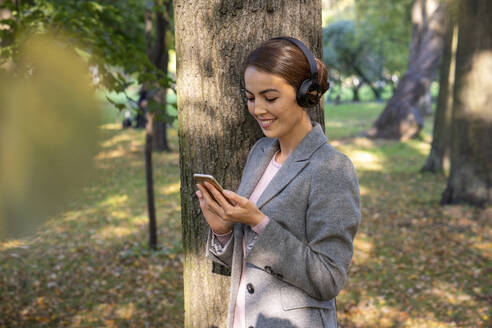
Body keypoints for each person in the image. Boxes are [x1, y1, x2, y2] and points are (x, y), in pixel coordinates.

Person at [195, 36, 361, 328]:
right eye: (250, 98)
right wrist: (223, 232)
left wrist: (259, 222)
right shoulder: (260, 153)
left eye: (270, 98)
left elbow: (329, 279)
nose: (258, 109)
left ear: (305, 94)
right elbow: (252, 262)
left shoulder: (332, 169)